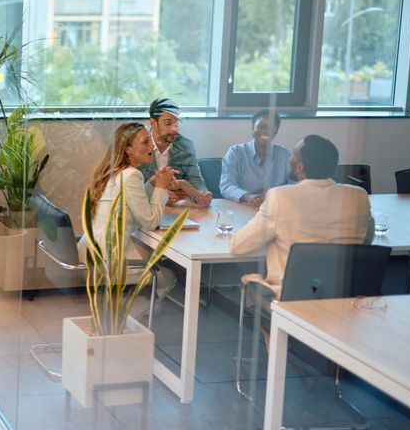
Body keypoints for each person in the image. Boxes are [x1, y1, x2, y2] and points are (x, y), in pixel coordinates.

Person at [230, 135, 375, 298]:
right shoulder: (359, 196)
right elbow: (366, 241)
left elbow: (239, 245)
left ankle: (267, 324)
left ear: (299, 167)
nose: (289, 159)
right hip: (344, 296)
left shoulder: (281, 196)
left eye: (292, 155)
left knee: (249, 276)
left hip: (292, 297)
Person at [79, 122, 178, 301]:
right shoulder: (131, 175)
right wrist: (162, 188)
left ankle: (139, 311)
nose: (152, 146)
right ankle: (130, 318)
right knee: (168, 277)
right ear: (128, 149)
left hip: (92, 249)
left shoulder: (117, 172)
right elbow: (150, 221)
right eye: (145, 142)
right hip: (109, 259)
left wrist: (153, 183)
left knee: (154, 256)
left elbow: (131, 202)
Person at [140, 98, 213, 207]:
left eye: (176, 122)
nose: (175, 129)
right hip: (144, 210)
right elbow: (130, 190)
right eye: (168, 123)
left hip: (174, 212)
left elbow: (196, 181)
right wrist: (159, 196)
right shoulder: (139, 145)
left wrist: (203, 194)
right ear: (153, 122)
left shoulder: (186, 145)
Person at [220, 110, 292, 209]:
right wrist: (249, 197)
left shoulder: (285, 155)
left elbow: (296, 185)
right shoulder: (235, 152)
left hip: (276, 209)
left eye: (270, 128)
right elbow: (227, 186)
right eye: (261, 127)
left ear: (275, 133)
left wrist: (273, 195)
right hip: (243, 208)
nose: (266, 131)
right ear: (252, 129)